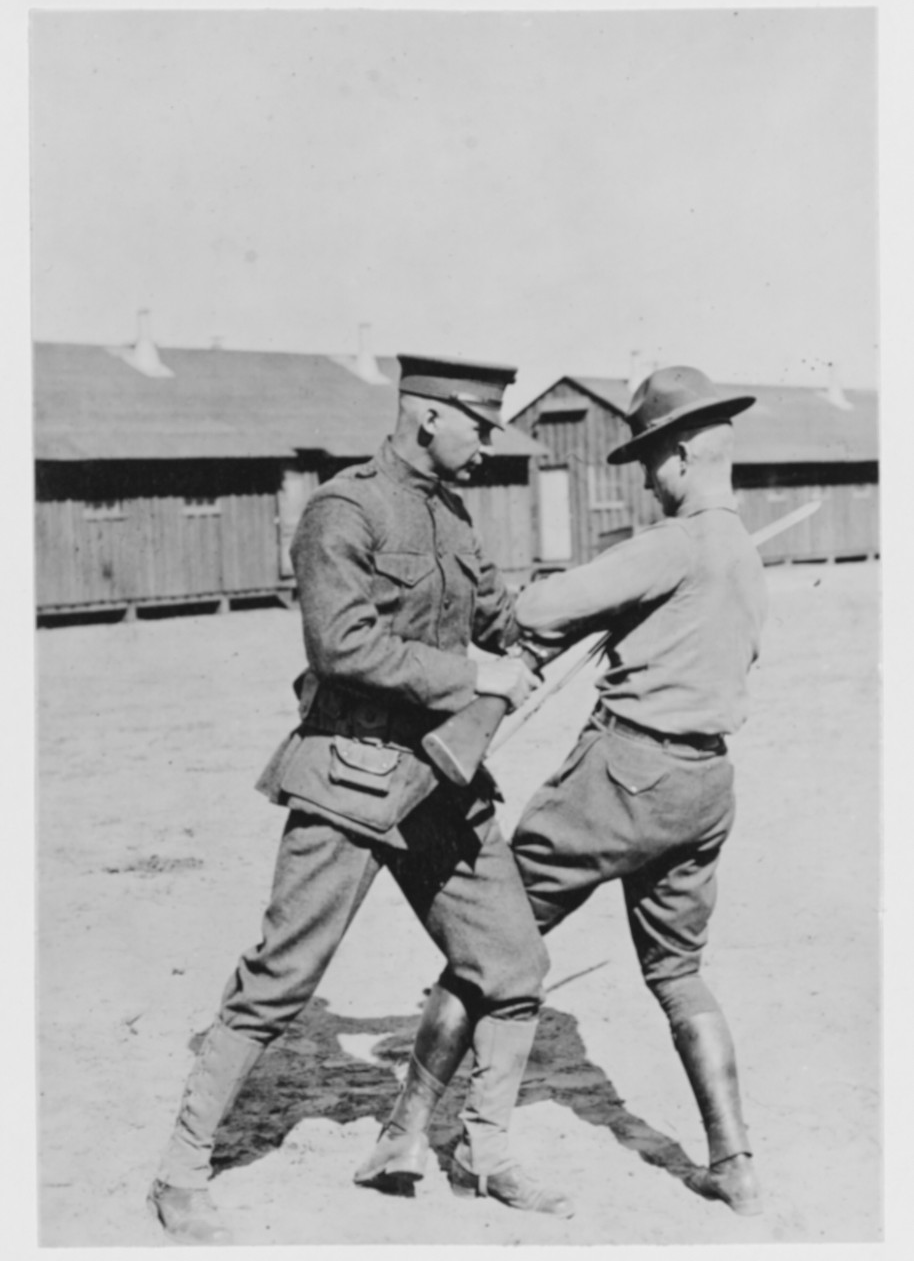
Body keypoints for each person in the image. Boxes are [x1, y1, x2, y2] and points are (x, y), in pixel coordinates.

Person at [148, 354, 574, 1246]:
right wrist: (474, 676)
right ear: (428, 417)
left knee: (513, 965)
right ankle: (182, 1168)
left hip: (441, 787)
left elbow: (497, 613)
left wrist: (588, 605)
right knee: (280, 981)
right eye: (479, 426)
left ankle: (480, 1152)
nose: (490, 444)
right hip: (348, 779)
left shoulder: (453, 513)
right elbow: (343, 646)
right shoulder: (343, 509)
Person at [359, 365, 768, 1217]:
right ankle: (734, 1164)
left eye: (652, 461)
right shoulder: (742, 551)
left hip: (623, 779)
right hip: (705, 785)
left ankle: (403, 1132)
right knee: (681, 974)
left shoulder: (676, 542)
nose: (648, 479)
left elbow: (542, 608)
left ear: (685, 456)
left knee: (493, 938)